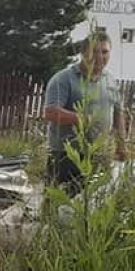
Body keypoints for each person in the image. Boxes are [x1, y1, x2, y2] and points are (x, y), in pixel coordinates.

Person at [42, 31, 126, 194]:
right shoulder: (64, 79)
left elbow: (118, 113)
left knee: (93, 202)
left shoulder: (110, 80)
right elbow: (50, 112)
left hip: (99, 154)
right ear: (83, 52)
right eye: (94, 51)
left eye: (104, 52)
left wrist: (121, 145)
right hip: (66, 155)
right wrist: (83, 119)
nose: (100, 56)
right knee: (58, 204)